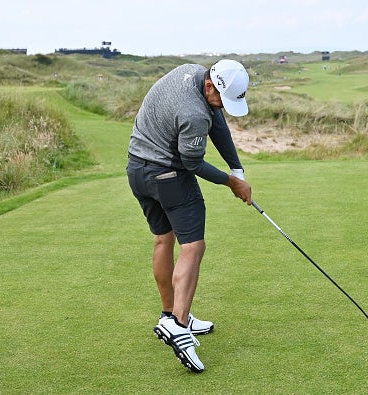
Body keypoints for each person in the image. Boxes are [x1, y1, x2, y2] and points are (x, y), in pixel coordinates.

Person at [126, 59, 253, 373]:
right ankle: (180, 327)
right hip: (167, 174)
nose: (222, 107)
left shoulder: (196, 73)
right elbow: (193, 164)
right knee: (193, 247)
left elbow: (218, 121)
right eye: (222, 100)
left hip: (137, 169)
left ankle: (170, 315)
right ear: (211, 86)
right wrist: (232, 182)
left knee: (163, 239)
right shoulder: (194, 113)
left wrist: (236, 166)